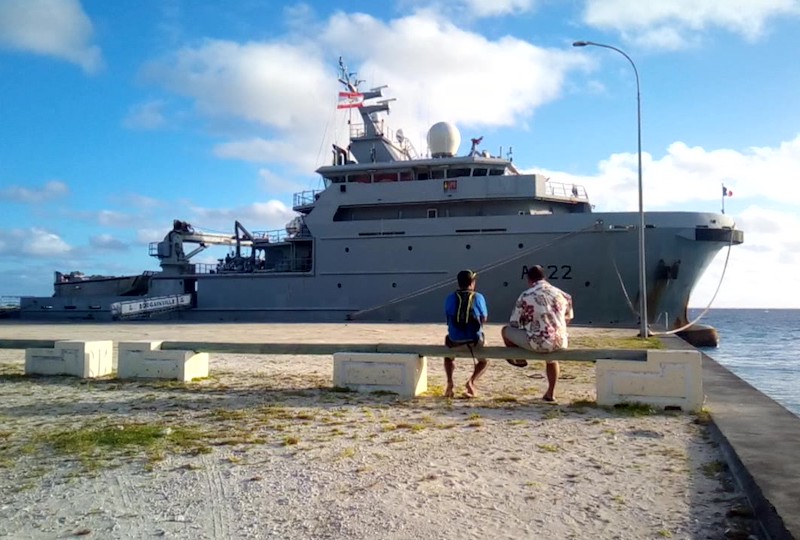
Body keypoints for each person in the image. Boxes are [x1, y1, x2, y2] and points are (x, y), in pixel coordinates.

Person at [501, 265, 574, 402]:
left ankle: (519, 358)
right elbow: (567, 318)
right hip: (560, 341)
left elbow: (514, 323)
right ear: (544, 277)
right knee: (551, 359)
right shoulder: (564, 295)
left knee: (505, 331)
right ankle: (550, 393)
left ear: (529, 279)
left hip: (536, 342)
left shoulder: (526, 295)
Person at [443, 269, 489, 398]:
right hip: (474, 341)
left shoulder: (450, 298)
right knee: (484, 361)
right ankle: (471, 382)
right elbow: (484, 318)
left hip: (455, 341)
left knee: (447, 356)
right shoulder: (478, 297)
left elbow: (448, 318)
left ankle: (450, 384)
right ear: (472, 282)